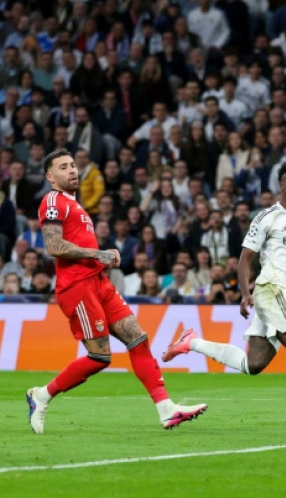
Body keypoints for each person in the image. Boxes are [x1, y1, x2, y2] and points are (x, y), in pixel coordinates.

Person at [26, 149, 207, 434]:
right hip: (77, 287)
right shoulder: (52, 201)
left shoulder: (76, 205)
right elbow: (53, 246)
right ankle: (42, 395)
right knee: (100, 358)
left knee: (138, 339)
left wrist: (97, 258)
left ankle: (166, 409)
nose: (71, 170)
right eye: (63, 167)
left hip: (99, 283)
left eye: (73, 165)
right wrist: (97, 253)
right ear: (51, 177)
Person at [162, 161, 286, 434]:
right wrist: (245, 293)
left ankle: (192, 342)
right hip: (272, 288)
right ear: (281, 184)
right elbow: (245, 258)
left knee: (253, 365)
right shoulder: (266, 218)